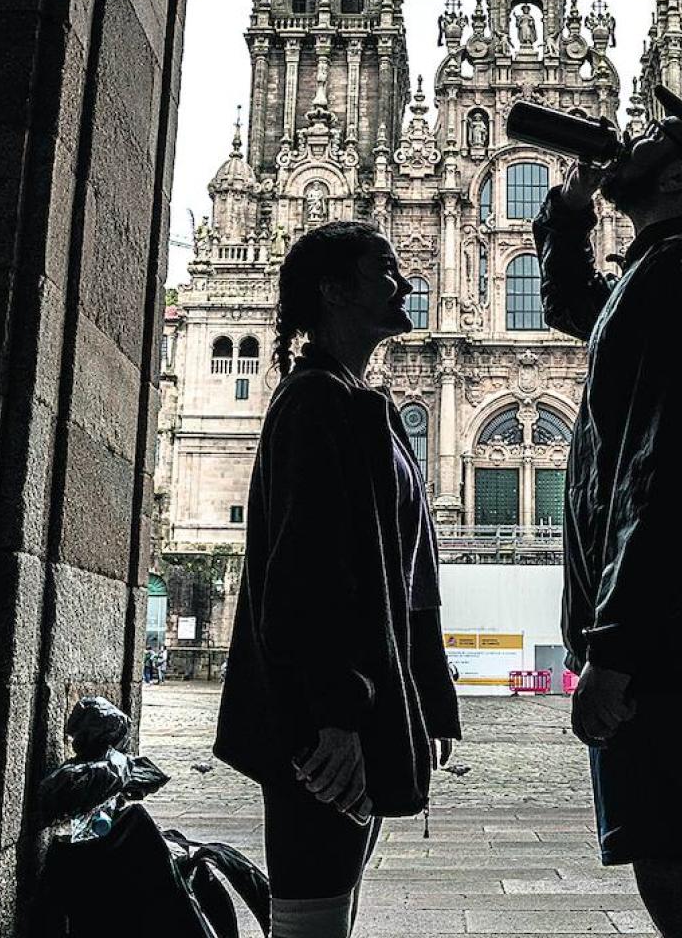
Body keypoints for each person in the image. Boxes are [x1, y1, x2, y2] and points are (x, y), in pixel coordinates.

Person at [532, 85, 682, 938]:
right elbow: (578, 313)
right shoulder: (674, 268)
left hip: (667, 636)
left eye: (653, 136)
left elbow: (665, 472)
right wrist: (569, 216)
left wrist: (618, 649)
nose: (629, 139)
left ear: (679, 174)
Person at [214, 220, 461, 938]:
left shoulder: (363, 406)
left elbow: (410, 574)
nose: (408, 279)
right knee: (312, 913)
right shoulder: (314, 403)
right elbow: (304, 576)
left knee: (333, 903)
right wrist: (334, 716)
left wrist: (432, 696)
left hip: (366, 706)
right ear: (333, 291)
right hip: (325, 720)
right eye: (385, 268)